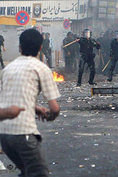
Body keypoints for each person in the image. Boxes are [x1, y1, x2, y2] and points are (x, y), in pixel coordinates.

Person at [0, 29, 61, 177]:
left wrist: (33, 107)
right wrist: (50, 116)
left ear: (20, 47)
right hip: (23, 133)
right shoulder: (41, 68)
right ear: (40, 48)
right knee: (39, 173)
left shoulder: (8, 69)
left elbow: (9, 99)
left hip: (4, 135)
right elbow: (54, 108)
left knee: (27, 171)